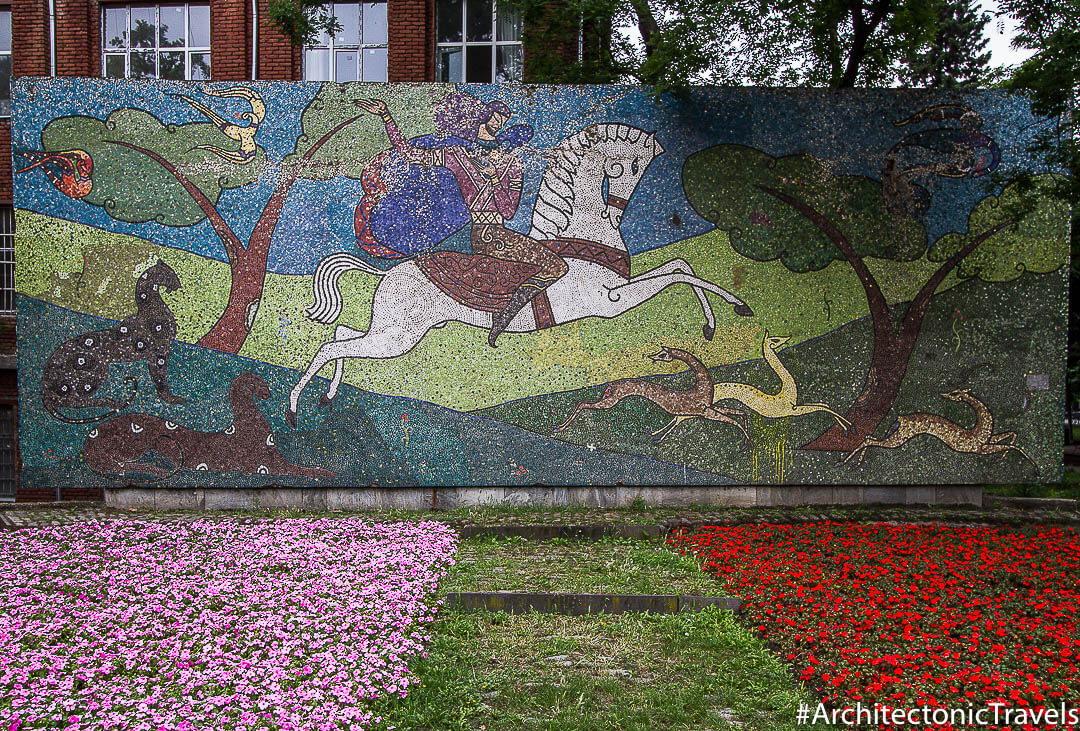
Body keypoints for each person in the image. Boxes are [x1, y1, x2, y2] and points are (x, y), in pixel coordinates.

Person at [356, 95, 568, 347]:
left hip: (497, 228)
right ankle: (504, 315)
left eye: (504, 119)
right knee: (556, 267)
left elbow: (508, 210)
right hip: (484, 234)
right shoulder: (457, 155)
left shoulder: (511, 165)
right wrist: (386, 116)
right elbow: (408, 153)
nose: (500, 121)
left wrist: (495, 181)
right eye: (496, 114)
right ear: (484, 116)